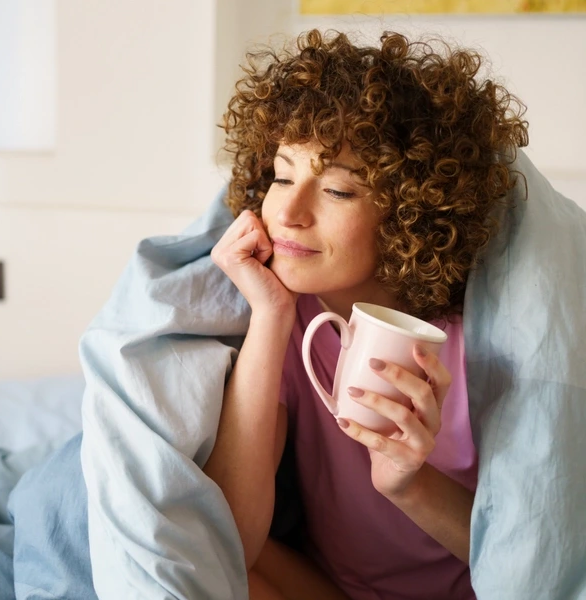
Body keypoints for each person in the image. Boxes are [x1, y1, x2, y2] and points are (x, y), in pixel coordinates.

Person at [203, 29, 528, 600]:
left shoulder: (483, 335)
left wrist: (407, 484)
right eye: (282, 176)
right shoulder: (287, 320)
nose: (290, 213)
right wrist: (272, 316)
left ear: (411, 212)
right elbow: (230, 541)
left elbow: (531, 562)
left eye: (338, 191)